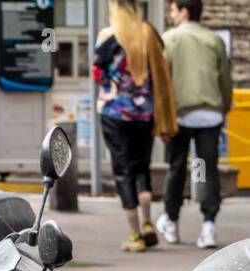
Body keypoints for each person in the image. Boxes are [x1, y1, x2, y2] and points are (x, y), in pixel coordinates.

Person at [93, 0, 177, 253]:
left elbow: (99, 75)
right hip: (145, 113)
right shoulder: (148, 32)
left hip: (115, 113)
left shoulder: (108, 35)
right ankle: (148, 220)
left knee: (123, 170)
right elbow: (161, 70)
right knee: (142, 167)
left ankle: (134, 234)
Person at [157, 0, 233, 249]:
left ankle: (172, 222)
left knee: (176, 167)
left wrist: (161, 120)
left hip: (181, 116)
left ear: (184, 11)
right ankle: (208, 225)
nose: (170, 15)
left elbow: (162, 83)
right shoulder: (214, 40)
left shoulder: (169, 39)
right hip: (210, 115)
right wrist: (224, 108)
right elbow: (225, 79)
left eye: (173, 10)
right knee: (206, 168)